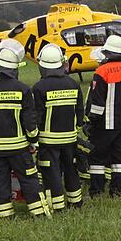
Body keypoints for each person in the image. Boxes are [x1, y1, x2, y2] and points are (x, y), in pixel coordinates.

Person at [0, 40, 48, 218]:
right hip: (19, 148)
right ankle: (39, 214)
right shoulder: (23, 89)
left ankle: (4, 214)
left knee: (1, 180)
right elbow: (29, 120)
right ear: (15, 69)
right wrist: (33, 141)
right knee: (28, 179)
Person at [86, 34, 121, 197]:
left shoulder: (101, 71)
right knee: (119, 159)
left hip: (104, 124)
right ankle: (117, 191)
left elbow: (97, 102)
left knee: (97, 158)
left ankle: (96, 191)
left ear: (107, 53)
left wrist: (91, 121)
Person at [32, 44, 85, 211]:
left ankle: (57, 206)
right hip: (70, 138)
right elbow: (79, 111)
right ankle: (76, 202)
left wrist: (33, 138)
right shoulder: (73, 84)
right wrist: (75, 130)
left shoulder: (39, 88)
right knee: (70, 169)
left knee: (52, 172)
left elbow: (37, 116)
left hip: (48, 141)